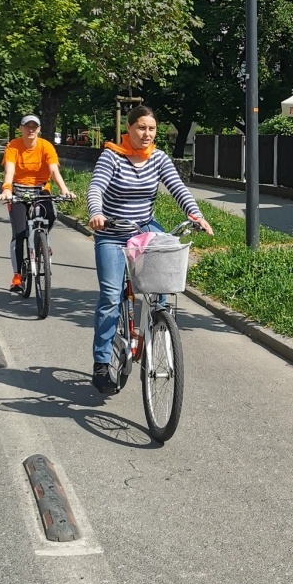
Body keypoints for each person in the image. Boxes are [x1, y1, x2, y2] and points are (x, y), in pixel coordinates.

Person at [86, 105, 213, 393]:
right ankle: (101, 363)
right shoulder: (112, 156)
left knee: (163, 278)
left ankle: (159, 320)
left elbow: (177, 187)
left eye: (151, 128)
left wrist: (196, 214)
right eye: (141, 127)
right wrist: (96, 212)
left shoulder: (158, 158)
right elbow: (96, 187)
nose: (146, 133)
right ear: (128, 129)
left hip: (144, 229)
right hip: (112, 232)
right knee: (110, 295)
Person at [0, 114, 75, 291]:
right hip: (18, 189)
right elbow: (9, 170)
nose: (31, 129)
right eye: (27, 126)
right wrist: (7, 189)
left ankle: (42, 242)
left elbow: (53, 170)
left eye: (34, 126)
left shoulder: (46, 146)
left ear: (39, 129)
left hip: (40, 189)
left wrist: (64, 190)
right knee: (19, 233)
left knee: (51, 215)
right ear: (21, 128)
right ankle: (17, 275)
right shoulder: (13, 146)